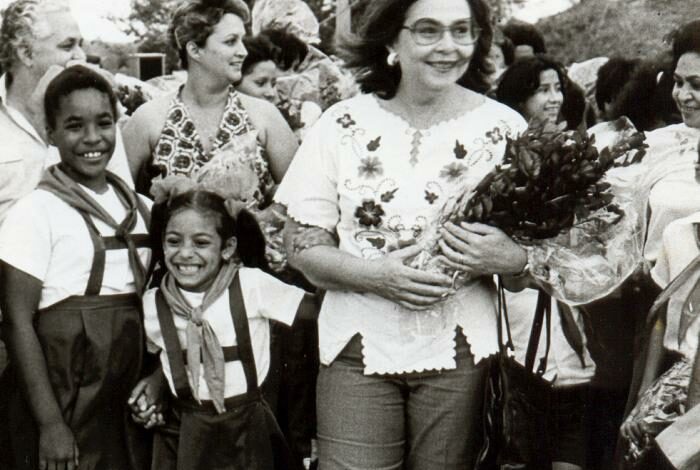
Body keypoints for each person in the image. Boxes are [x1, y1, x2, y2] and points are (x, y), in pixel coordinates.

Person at [276, 0, 528, 467]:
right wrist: (377, 277)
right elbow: (301, 246)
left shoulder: (504, 129)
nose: (448, 47)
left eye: (462, 31)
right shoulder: (342, 123)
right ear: (392, 39)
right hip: (356, 345)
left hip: (462, 351)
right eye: (428, 31)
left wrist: (511, 260)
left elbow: (533, 267)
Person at [0, 65, 151, 470]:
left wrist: (154, 382)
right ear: (50, 133)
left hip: (123, 394)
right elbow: (16, 321)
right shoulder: (35, 211)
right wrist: (50, 424)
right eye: (73, 126)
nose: (92, 138)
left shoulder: (143, 210)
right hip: (60, 389)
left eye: (103, 123)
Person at [133, 187, 305, 469]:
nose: (185, 253)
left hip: (246, 428)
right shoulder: (154, 303)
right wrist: (155, 388)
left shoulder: (251, 285)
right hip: (186, 431)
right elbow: (163, 356)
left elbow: (315, 311)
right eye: (174, 241)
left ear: (227, 248)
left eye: (201, 243)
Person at [122, 0, 297, 204]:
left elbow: (303, 195)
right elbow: (119, 199)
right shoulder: (149, 119)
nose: (243, 51)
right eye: (231, 41)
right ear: (195, 50)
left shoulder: (265, 116)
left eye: (242, 40)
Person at [0, 0, 134, 225]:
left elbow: (122, 201)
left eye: (81, 44)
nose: (80, 56)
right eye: (67, 46)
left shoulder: (97, 115)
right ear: (26, 53)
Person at [496, 55, 585, 130]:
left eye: (558, 89)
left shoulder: (568, 141)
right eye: (544, 90)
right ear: (520, 98)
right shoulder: (502, 141)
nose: (555, 99)